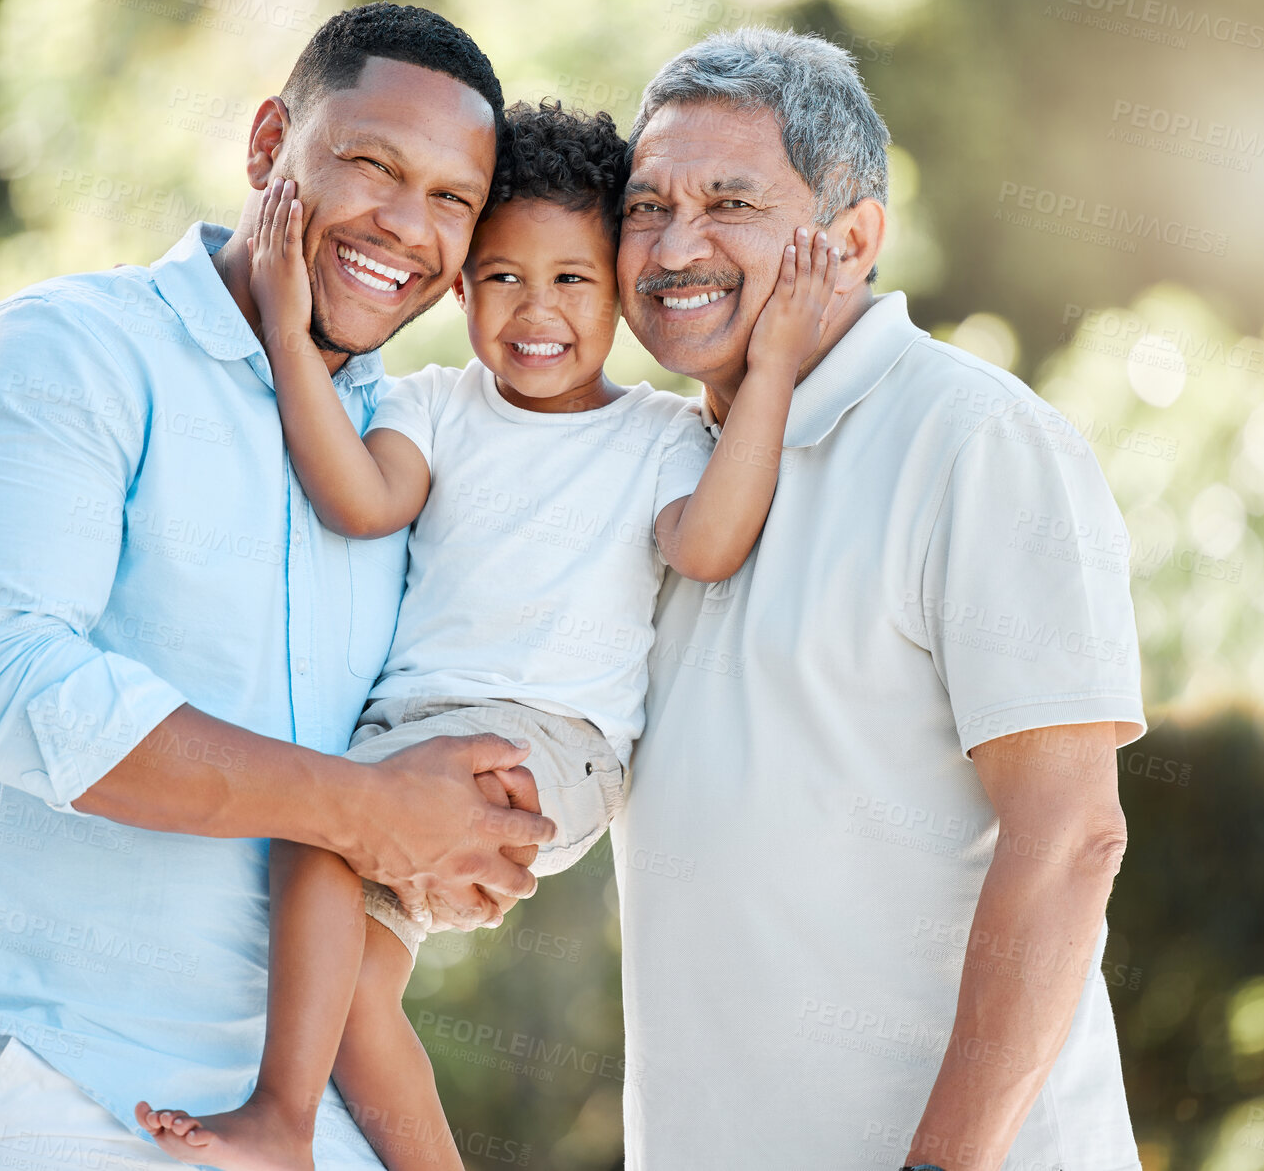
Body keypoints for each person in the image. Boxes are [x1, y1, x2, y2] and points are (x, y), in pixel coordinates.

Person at [0, 4, 561, 1171]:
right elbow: (0, 683)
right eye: (373, 165)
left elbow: (437, 751)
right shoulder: (67, 350)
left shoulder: (408, 452)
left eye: (452, 200)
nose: (408, 224)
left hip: (306, 1122)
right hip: (50, 1086)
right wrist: (366, 806)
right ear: (266, 147)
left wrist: (466, 833)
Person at [140, 100, 838, 1171]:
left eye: (574, 280)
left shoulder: (655, 434)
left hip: (553, 745)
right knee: (354, 965)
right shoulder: (434, 406)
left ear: (621, 292)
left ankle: (283, 1111)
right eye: (504, 277)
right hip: (405, 740)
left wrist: (774, 370)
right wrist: (286, 329)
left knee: (323, 818)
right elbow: (362, 502)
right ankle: (292, 1121)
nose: (536, 310)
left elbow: (707, 545)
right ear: (461, 288)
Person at [613, 29, 1149, 1170]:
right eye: (645, 205)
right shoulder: (654, 472)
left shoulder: (975, 441)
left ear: (852, 239)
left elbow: (1069, 837)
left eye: (730, 201)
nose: (674, 244)